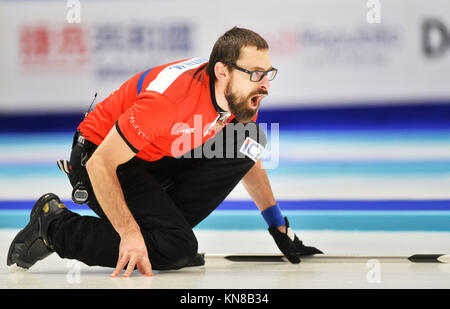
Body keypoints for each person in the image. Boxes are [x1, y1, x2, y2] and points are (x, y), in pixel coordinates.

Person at [7, 27, 322, 277]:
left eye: (268, 73)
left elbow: (247, 157)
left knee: (248, 138)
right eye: (255, 73)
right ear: (223, 72)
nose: (265, 84)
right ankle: (54, 226)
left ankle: (162, 236)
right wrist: (130, 234)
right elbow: (102, 162)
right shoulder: (169, 101)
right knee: (177, 250)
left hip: (150, 157)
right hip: (98, 159)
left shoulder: (239, 99)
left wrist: (276, 223)